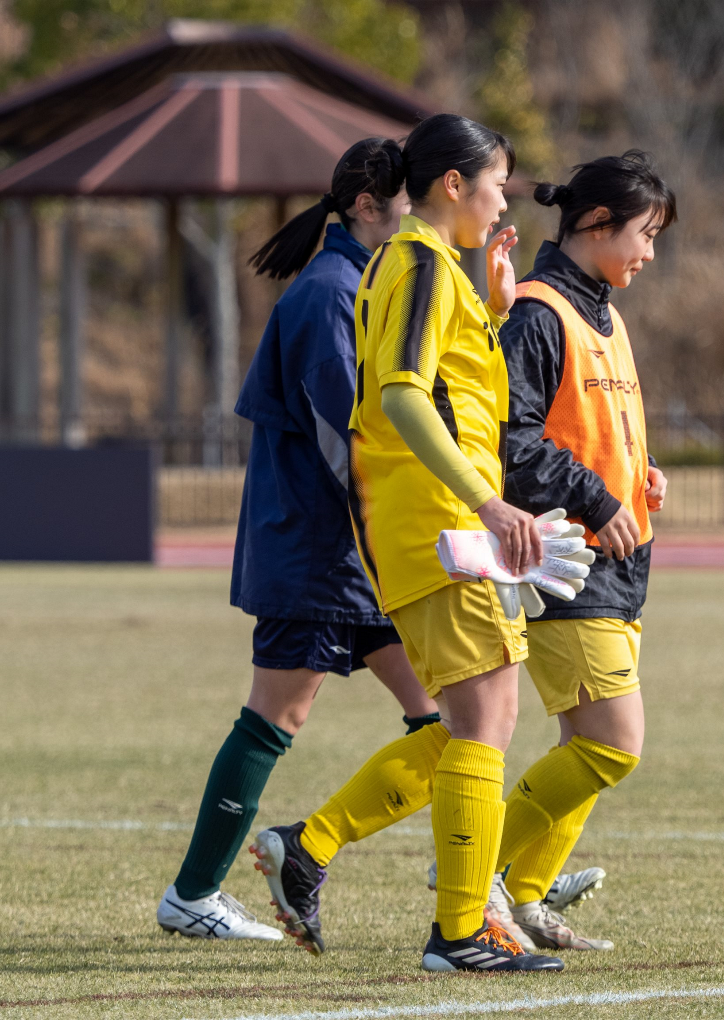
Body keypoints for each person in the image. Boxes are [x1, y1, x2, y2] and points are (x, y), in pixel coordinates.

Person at [259, 113, 564, 973]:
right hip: (439, 521)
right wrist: (486, 503)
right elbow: (399, 397)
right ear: (455, 184)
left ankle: (311, 848)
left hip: (431, 522)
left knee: (475, 720)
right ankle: (461, 932)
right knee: (484, 718)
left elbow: (449, 390)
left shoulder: (433, 271)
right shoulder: (421, 263)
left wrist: (497, 314)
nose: (505, 196)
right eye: (498, 180)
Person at [155, 139, 443, 942]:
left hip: (364, 554)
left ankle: (468, 876)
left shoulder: (368, 283)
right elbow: (344, 439)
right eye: (408, 202)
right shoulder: (328, 292)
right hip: (323, 553)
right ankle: (193, 897)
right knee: (275, 718)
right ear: (366, 206)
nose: (418, 214)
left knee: (455, 722)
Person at [487, 150, 676, 951]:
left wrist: (639, 477)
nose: (650, 252)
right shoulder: (537, 313)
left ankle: (523, 897)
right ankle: (477, 874)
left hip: (624, 561)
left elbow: (590, 431)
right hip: (570, 560)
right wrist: (599, 497)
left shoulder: (604, 310)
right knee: (611, 745)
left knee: (583, 747)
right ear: (596, 225)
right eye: (645, 233)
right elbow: (512, 442)